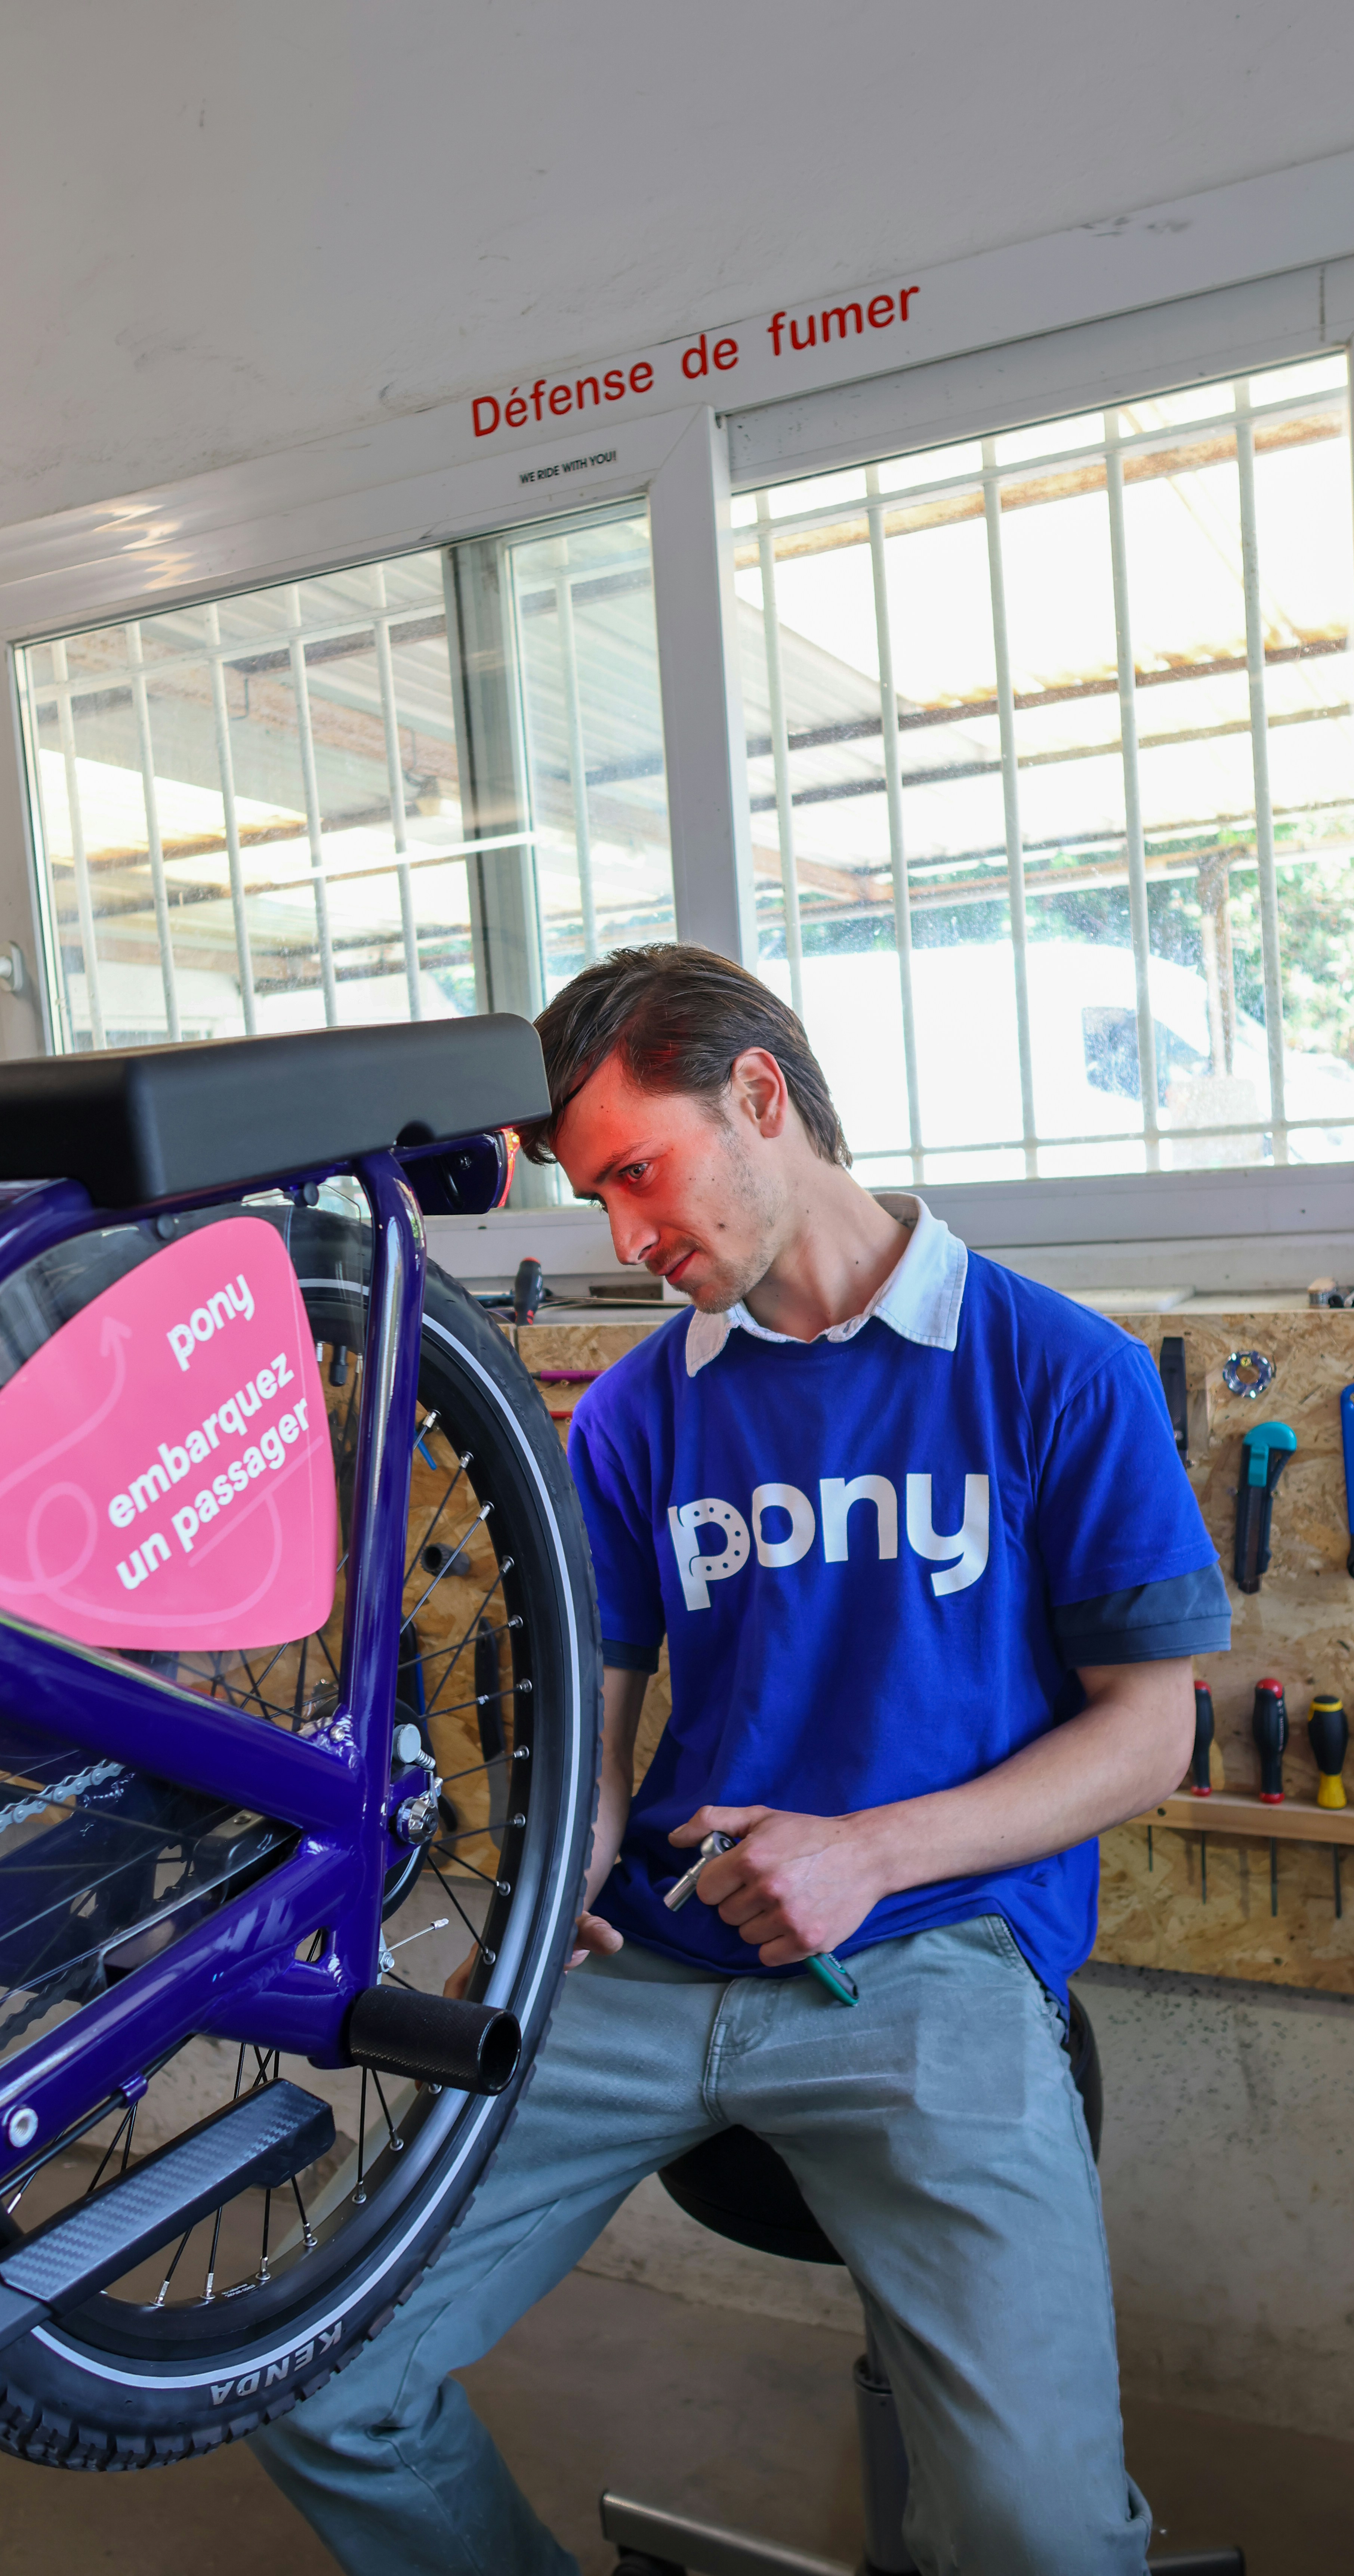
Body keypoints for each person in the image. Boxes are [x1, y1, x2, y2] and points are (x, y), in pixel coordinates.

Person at [253, 943, 1228, 2575]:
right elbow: (605, 1727)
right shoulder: (633, 1417)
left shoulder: (1057, 1371)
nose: (628, 1242)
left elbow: (1153, 1727)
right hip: (645, 1969)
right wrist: (571, 1847)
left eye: (638, 1174)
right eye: (596, 1199)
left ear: (760, 1097)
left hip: (931, 1964)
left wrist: (872, 1852)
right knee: (308, 2373)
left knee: (1038, 2540)